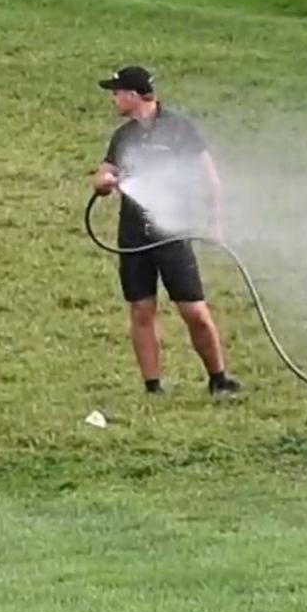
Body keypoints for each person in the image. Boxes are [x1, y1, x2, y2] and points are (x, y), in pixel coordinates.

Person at [90, 65, 242, 397]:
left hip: (172, 233)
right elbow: (104, 173)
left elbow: (209, 177)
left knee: (194, 311)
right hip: (133, 237)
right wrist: (102, 182)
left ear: (133, 95)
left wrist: (216, 222)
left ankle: (219, 378)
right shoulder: (124, 136)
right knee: (141, 309)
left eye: (116, 93)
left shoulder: (179, 129)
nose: (113, 99)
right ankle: (153, 385)